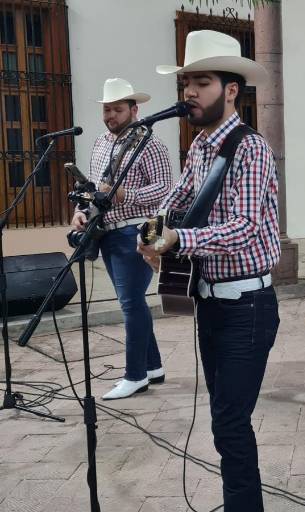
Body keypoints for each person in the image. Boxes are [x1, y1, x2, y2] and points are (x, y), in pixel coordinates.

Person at [137, 30, 280, 511]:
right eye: (185, 84)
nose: (189, 93)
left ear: (231, 89)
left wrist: (181, 239)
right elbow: (174, 202)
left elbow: (244, 226)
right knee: (225, 421)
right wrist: (150, 232)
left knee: (230, 420)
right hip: (210, 304)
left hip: (249, 308)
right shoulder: (199, 147)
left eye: (201, 82)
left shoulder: (251, 148)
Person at [71, 77, 172, 400]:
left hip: (144, 227)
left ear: (134, 109)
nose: (110, 115)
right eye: (106, 109)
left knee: (130, 304)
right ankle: (153, 367)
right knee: (133, 302)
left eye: (117, 109)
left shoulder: (151, 144)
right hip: (109, 232)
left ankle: (135, 375)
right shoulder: (101, 142)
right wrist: (80, 210)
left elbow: (164, 189)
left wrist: (124, 195)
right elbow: (94, 188)